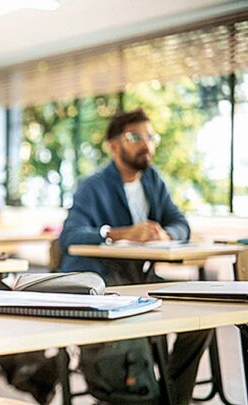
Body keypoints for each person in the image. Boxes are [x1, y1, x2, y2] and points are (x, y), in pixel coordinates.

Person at [59, 108, 211, 404]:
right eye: (135, 137)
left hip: (139, 277)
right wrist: (122, 233)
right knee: (135, 320)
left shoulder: (153, 180)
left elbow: (181, 224)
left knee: (201, 316)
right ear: (113, 146)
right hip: (101, 278)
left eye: (151, 136)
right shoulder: (93, 186)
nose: (146, 144)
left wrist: (166, 235)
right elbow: (70, 236)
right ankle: (147, 395)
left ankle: (172, 399)